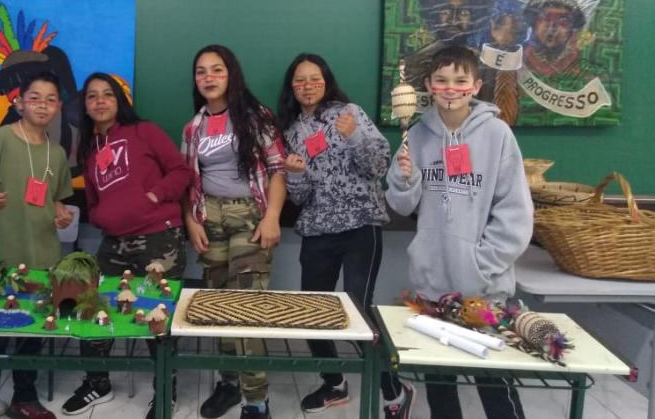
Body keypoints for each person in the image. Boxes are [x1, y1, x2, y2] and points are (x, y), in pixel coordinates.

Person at [386, 45, 533, 419]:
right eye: (442, 81)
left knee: (494, 380)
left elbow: (515, 214)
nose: (451, 89)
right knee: (440, 382)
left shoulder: (497, 135)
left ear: (476, 85)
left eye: (460, 81)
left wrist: (481, 265)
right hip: (432, 284)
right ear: (428, 86)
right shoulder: (416, 136)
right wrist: (404, 179)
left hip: (485, 289)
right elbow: (402, 205)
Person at [276, 53, 414, 416]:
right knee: (313, 314)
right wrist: (294, 174)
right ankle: (334, 384)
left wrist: (353, 138)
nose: (308, 86)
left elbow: (378, 166)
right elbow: (301, 197)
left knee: (358, 316)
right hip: (318, 231)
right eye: (300, 80)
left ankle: (393, 390)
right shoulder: (291, 132)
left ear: (326, 80)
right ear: (292, 87)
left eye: (314, 78)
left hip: (360, 226)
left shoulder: (348, 112)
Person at [60, 73, 190, 419]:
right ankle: (97, 383)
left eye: (107, 95)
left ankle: (165, 389)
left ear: (120, 101)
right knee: (94, 309)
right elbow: (92, 195)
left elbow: (180, 171)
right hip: (113, 243)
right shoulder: (88, 147)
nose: (100, 101)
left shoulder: (143, 131)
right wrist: (102, 215)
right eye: (92, 96)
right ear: (84, 106)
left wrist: (153, 196)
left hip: (159, 239)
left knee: (155, 317)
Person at [182, 44, 286, 419]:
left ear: (231, 75)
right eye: (201, 72)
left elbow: (277, 169)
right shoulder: (193, 126)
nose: (208, 78)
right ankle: (228, 383)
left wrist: (272, 216)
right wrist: (192, 221)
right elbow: (187, 181)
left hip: (249, 217)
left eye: (217, 70)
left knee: (247, 310)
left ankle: (256, 401)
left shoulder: (256, 117)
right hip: (209, 218)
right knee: (217, 307)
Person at [0, 71, 75, 419]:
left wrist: (62, 216)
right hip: (2, 258)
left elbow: (58, 203)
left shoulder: (57, 153)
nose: (42, 105)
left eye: (50, 99)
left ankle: (24, 398)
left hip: (43, 257)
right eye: (35, 98)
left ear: (58, 107)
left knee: (32, 333)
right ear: (19, 103)